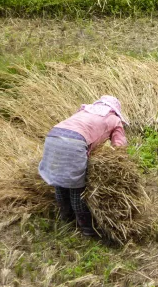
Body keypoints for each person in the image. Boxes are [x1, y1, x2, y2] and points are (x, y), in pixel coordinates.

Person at [38, 95, 128, 236]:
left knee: (60, 182)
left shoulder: (85, 110)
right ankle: (87, 228)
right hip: (74, 142)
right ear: (115, 110)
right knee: (76, 189)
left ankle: (66, 219)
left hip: (53, 137)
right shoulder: (114, 119)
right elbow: (120, 146)